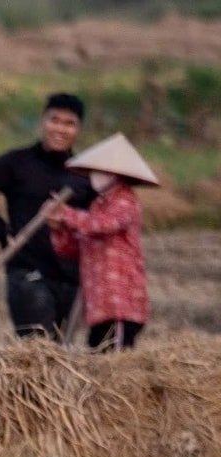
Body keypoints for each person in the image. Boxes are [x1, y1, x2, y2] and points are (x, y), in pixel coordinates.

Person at [0, 94, 96, 339]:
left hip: (72, 278)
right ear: (42, 122)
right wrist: (0, 229)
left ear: (78, 129)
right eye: (55, 120)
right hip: (28, 273)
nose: (60, 129)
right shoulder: (17, 162)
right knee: (36, 350)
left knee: (62, 353)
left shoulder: (84, 173)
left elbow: (98, 217)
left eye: (69, 123)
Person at [49, 134, 156, 351]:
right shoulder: (98, 205)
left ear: (115, 175)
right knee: (99, 354)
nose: (94, 176)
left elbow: (101, 225)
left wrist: (67, 214)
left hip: (121, 304)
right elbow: (71, 248)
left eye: (100, 171)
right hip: (98, 304)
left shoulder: (125, 201)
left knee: (116, 359)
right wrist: (58, 228)